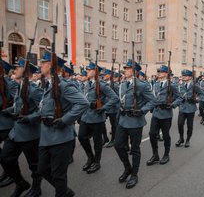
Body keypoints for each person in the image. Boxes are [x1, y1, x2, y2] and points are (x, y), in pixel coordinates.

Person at [38, 51, 89, 197]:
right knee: (42, 169)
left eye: (43, 63)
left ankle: (62, 192)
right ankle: (65, 191)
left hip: (61, 137)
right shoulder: (48, 84)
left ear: (52, 66)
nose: (40, 65)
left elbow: (83, 103)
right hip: (46, 135)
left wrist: (65, 120)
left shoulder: (64, 85)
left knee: (59, 175)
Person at [1, 58, 43, 197]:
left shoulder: (34, 90)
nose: (15, 70)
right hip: (16, 132)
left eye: (18, 68)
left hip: (30, 133)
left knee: (34, 165)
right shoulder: (20, 86)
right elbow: (17, 105)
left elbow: (44, 110)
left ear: (25, 71)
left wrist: (30, 118)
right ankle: (20, 183)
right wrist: (8, 111)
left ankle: (37, 188)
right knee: (5, 158)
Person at [114, 61, 155, 189]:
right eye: (125, 68)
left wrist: (142, 110)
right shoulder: (123, 84)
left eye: (127, 68)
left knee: (135, 149)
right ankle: (128, 168)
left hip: (135, 121)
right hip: (123, 119)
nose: (125, 70)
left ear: (135, 71)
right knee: (118, 145)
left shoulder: (141, 85)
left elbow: (153, 101)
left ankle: (134, 175)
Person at [78, 63, 119, 174]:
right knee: (81, 137)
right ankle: (90, 157)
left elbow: (115, 98)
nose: (87, 71)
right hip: (85, 116)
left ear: (96, 72)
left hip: (96, 117)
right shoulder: (87, 84)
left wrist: (103, 107)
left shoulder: (102, 85)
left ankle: (97, 162)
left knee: (97, 141)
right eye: (88, 69)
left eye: (90, 70)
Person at [147, 65, 182, 166]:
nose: (159, 73)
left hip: (166, 114)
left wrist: (172, 104)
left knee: (166, 135)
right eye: (158, 71)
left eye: (161, 72)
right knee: (152, 134)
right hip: (156, 113)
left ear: (166, 74)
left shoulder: (172, 85)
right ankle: (155, 155)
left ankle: (166, 155)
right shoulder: (156, 84)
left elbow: (179, 98)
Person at [0, 60, 18, 188]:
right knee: (5, 155)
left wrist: (7, 110)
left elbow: (16, 102)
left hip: (7, 122)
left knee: (8, 154)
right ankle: (7, 171)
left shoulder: (9, 84)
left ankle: (12, 175)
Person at [176, 69, 201, 147]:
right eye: (182, 75)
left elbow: (202, 94)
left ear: (190, 77)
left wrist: (196, 99)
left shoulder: (195, 85)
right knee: (180, 123)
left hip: (190, 108)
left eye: (185, 76)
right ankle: (181, 138)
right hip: (182, 107)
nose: (183, 77)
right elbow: (179, 96)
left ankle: (188, 140)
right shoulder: (181, 85)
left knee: (189, 125)